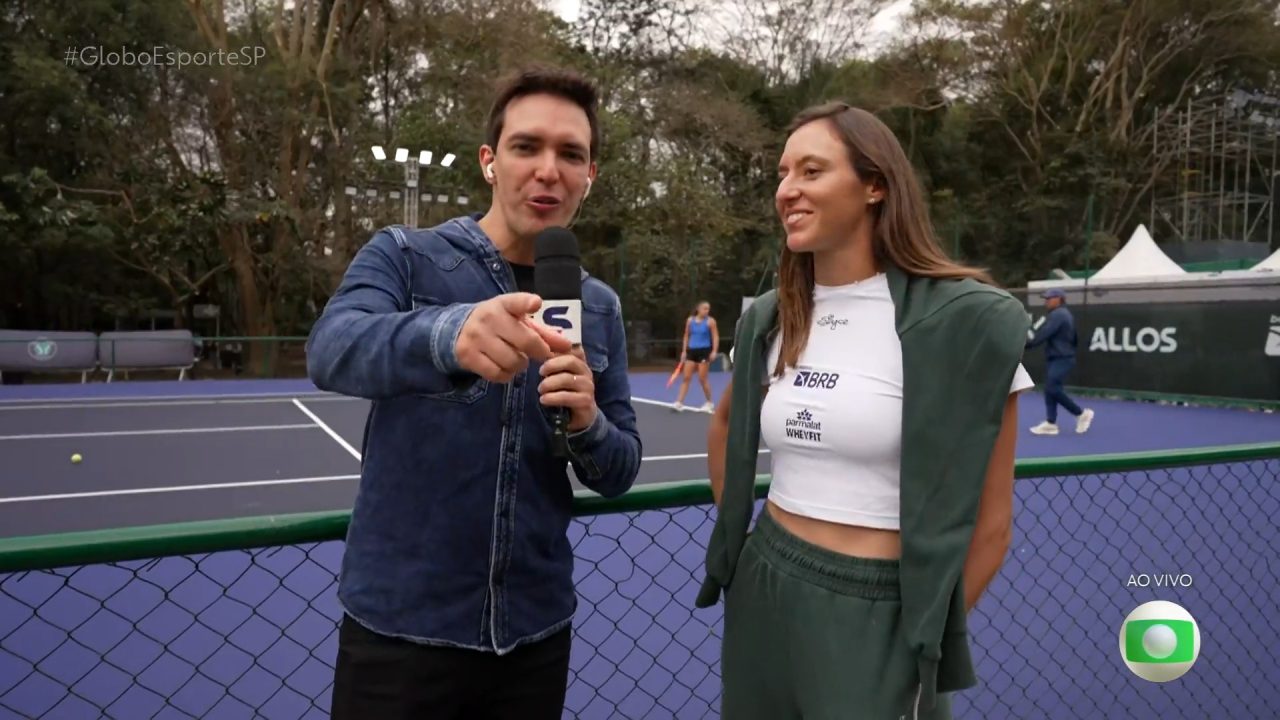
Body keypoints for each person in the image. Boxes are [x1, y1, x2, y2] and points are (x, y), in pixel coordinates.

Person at [307, 67, 642, 720]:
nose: (549, 169)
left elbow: (620, 469)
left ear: (590, 175)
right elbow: (332, 348)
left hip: (535, 636)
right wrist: (448, 334)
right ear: (490, 161)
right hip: (402, 635)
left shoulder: (596, 305)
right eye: (527, 147)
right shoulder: (406, 257)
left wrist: (588, 421)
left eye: (571, 153)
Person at [697, 102, 1035, 720]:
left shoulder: (966, 322)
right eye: (782, 172)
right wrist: (747, 562)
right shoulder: (772, 314)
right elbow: (725, 426)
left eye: (811, 171)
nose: (787, 190)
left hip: (881, 607)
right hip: (766, 584)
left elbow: (992, 526)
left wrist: (920, 633)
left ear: (874, 185)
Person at [1025, 288, 1094, 435]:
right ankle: (1051, 423)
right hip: (1058, 357)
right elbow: (1073, 338)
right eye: (1046, 298)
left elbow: (1043, 334)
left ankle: (1081, 414)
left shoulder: (1059, 314)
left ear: (1059, 299)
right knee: (1050, 389)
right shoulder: (1062, 314)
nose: (1046, 301)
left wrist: (1026, 344)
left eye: (1049, 298)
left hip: (1062, 358)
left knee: (1052, 388)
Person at [674, 300, 719, 411]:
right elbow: (686, 336)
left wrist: (714, 351)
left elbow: (715, 337)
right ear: (698, 309)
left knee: (702, 379)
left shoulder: (710, 322)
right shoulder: (690, 321)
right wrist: (684, 351)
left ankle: (709, 403)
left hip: (704, 351)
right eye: (704, 308)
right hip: (691, 352)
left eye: (708, 309)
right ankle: (679, 402)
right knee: (686, 377)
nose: (707, 311)